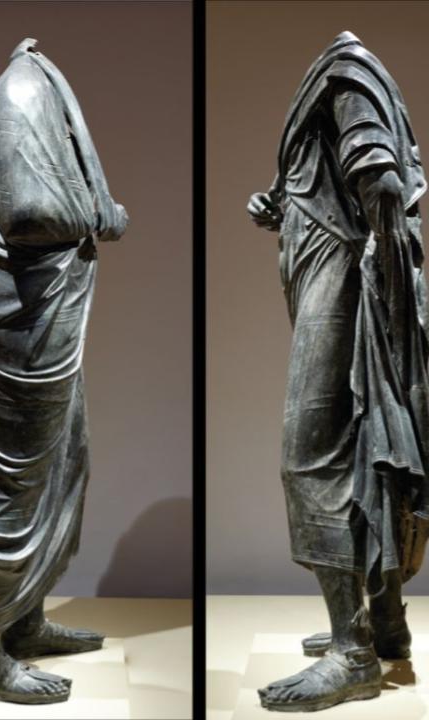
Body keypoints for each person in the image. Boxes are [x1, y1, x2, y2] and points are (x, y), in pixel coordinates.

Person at [248, 31, 429, 713]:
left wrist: (386, 278)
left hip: (348, 287)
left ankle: (353, 654)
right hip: (330, 278)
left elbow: (380, 175)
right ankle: (385, 625)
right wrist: (281, 202)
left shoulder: (344, 71)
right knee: (359, 450)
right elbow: (341, 178)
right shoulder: (339, 76)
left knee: (311, 457)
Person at [0, 38, 126, 705]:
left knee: (60, 468)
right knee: (12, 490)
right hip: (25, 322)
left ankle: (21, 621)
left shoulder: (36, 83)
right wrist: (102, 216)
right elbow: (25, 213)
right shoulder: (23, 89)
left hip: (44, 317)